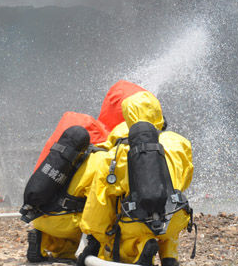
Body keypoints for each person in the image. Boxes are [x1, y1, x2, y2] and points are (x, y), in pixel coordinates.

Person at [24, 81, 149, 262]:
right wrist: (99, 242)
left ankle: (44, 240)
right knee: (109, 205)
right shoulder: (106, 155)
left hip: (40, 213)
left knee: (66, 211)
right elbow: (98, 205)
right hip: (68, 219)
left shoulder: (69, 140)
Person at [78, 90, 194, 266]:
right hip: (174, 217)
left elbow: (99, 205)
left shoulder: (117, 153)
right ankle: (169, 256)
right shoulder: (180, 143)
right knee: (169, 211)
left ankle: (140, 251)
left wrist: (99, 236)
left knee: (119, 238)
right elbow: (184, 181)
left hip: (135, 221)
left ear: (128, 115)